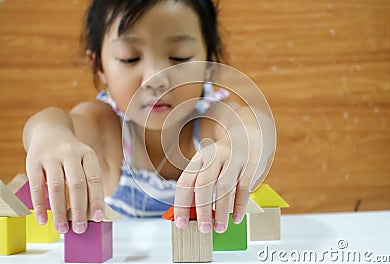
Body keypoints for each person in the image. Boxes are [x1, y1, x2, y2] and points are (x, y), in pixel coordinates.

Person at [22, 0, 275, 236]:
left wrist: (244, 142)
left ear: (209, 62)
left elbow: (252, 123)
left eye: (179, 57)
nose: (155, 79)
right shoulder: (104, 126)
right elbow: (52, 121)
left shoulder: (212, 120)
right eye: (129, 58)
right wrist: (48, 135)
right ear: (100, 67)